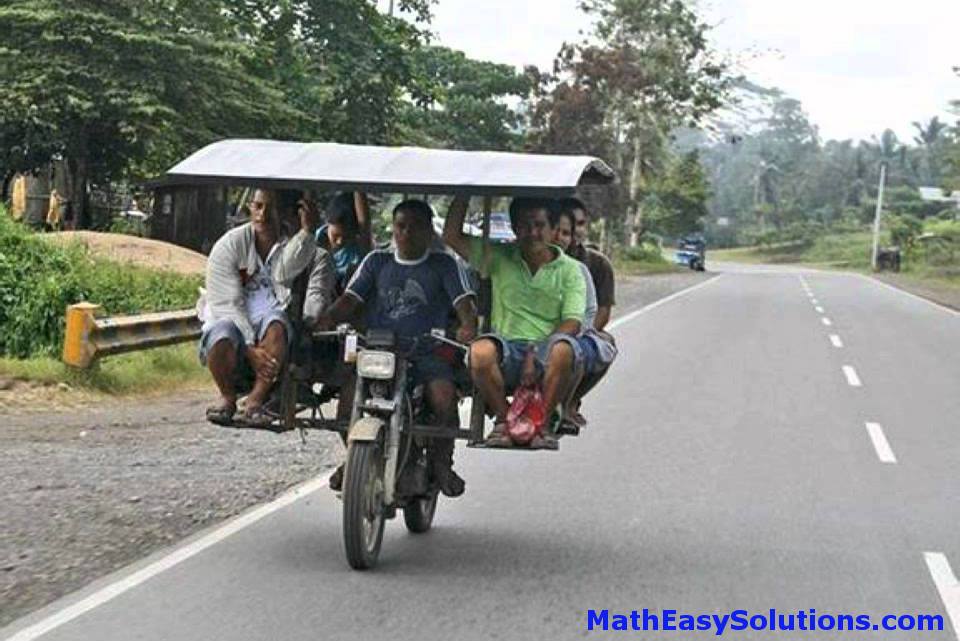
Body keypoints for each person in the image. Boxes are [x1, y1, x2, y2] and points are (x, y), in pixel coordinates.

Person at [318, 199, 477, 497]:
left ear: (430, 231)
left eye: (415, 227)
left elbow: (464, 305)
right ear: (393, 228)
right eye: (401, 226)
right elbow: (350, 301)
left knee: (443, 397)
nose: (406, 233)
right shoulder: (377, 261)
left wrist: (468, 325)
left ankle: (442, 462)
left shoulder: (444, 264)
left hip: (427, 351)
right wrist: (325, 319)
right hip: (379, 351)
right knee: (348, 400)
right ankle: (354, 458)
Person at [443, 196, 586, 449]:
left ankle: (541, 425)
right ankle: (504, 420)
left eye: (539, 225)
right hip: (507, 350)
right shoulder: (499, 257)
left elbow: (572, 322)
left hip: (547, 352)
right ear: (514, 229)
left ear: (553, 229)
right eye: (524, 226)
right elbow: (452, 236)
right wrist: (464, 190)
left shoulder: (571, 269)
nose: (532, 233)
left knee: (564, 349)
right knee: (479, 351)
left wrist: (535, 353)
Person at [199, 188, 319, 427]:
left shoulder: (292, 244)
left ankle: (255, 400)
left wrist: (306, 231)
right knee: (222, 333)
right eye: (258, 206)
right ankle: (227, 397)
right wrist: (249, 347)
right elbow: (227, 304)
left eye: (271, 208)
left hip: (269, 326)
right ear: (250, 208)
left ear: (285, 213)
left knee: (277, 324)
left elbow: (285, 272)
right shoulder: (229, 245)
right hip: (231, 323)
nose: (263, 215)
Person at [551, 204, 618, 428]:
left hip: (577, 327)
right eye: (557, 230)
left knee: (594, 346)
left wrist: (581, 330)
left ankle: (570, 402)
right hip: (537, 330)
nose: (571, 234)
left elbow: (601, 310)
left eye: (578, 225)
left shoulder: (594, 265)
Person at [561, 197, 616, 330]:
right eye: (569, 224)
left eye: (580, 224)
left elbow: (603, 312)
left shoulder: (600, 264)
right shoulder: (540, 260)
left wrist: (581, 338)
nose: (575, 230)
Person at [317, 192, 374, 293]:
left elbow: (364, 224)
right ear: (327, 224)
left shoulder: (357, 250)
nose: (340, 241)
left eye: (347, 237)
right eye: (335, 235)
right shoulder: (316, 238)